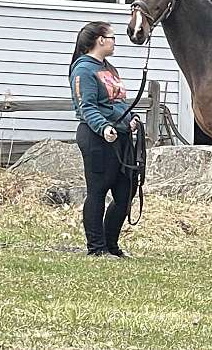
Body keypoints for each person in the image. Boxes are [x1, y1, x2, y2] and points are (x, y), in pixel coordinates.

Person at [69, 21, 139, 257]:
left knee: (125, 192)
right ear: (100, 40)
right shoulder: (83, 70)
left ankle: (111, 245)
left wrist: (128, 120)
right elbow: (86, 106)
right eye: (112, 37)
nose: (114, 41)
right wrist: (104, 127)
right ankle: (96, 248)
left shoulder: (108, 69)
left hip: (120, 136)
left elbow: (116, 103)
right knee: (98, 191)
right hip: (97, 137)